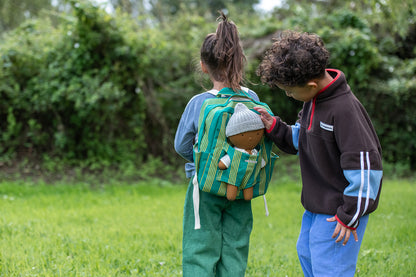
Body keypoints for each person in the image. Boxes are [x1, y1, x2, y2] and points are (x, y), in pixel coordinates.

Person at [254, 30, 383, 276]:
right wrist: (274, 127)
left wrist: (350, 214)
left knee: (329, 267)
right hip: (316, 207)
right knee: (307, 254)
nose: (288, 96)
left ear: (311, 85)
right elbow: (301, 139)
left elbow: (367, 168)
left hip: (340, 211)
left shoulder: (344, 109)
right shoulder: (313, 100)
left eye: (289, 91)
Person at [174, 12, 261, 277]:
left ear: (203, 66)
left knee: (201, 246)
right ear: (240, 62)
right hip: (242, 183)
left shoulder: (199, 103)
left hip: (206, 187)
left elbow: (181, 145)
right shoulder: (252, 97)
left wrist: (205, 162)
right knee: (235, 245)